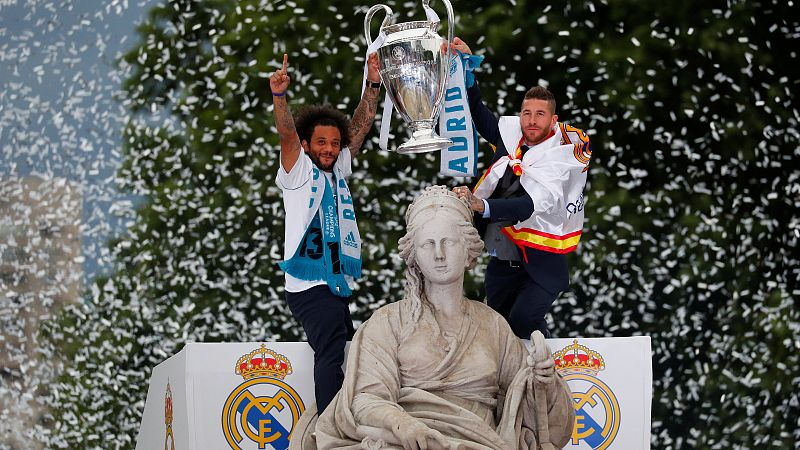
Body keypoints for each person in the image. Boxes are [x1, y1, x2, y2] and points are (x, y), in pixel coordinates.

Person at [311, 185, 575, 450]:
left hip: (478, 442)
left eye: (448, 242)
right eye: (428, 244)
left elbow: (527, 405)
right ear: (414, 255)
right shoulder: (388, 321)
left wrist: (543, 381)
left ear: (468, 249)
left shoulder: (493, 324)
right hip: (408, 442)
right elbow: (365, 400)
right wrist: (403, 424)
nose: (439, 254)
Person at [450, 37, 592, 340]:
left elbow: (528, 206)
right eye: (527, 113)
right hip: (502, 261)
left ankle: (549, 366)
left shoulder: (559, 157)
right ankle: (537, 367)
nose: (531, 120)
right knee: (497, 334)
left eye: (540, 114)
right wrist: (466, 68)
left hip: (541, 265)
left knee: (522, 323)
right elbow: (478, 113)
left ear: (553, 120)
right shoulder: (511, 138)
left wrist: (481, 205)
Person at [270, 52, 382, 415]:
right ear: (306, 145)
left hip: (334, 283)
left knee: (349, 350)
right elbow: (287, 133)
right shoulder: (298, 170)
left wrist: (373, 82)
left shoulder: (337, 169)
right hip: (308, 285)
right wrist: (279, 96)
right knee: (332, 352)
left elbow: (361, 125)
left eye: (334, 143)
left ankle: (343, 416)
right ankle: (330, 428)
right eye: (321, 142)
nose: (330, 149)